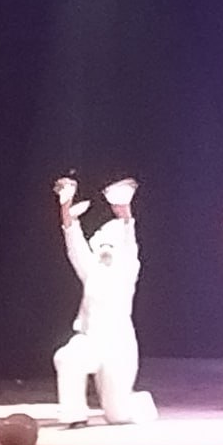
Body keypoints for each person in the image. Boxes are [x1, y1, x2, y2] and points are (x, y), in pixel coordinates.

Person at [53, 177, 157, 427]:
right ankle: (75, 415)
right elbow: (73, 240)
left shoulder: (128, 267)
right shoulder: (91, 269)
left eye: (111, 243)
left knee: (118, 415)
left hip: (119, 345)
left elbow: (129, 236)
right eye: (102, 243)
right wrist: (65, 205)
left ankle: (139, 403)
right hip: (90, 340)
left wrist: (124, 208)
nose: (106, 248)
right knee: (67, 357)